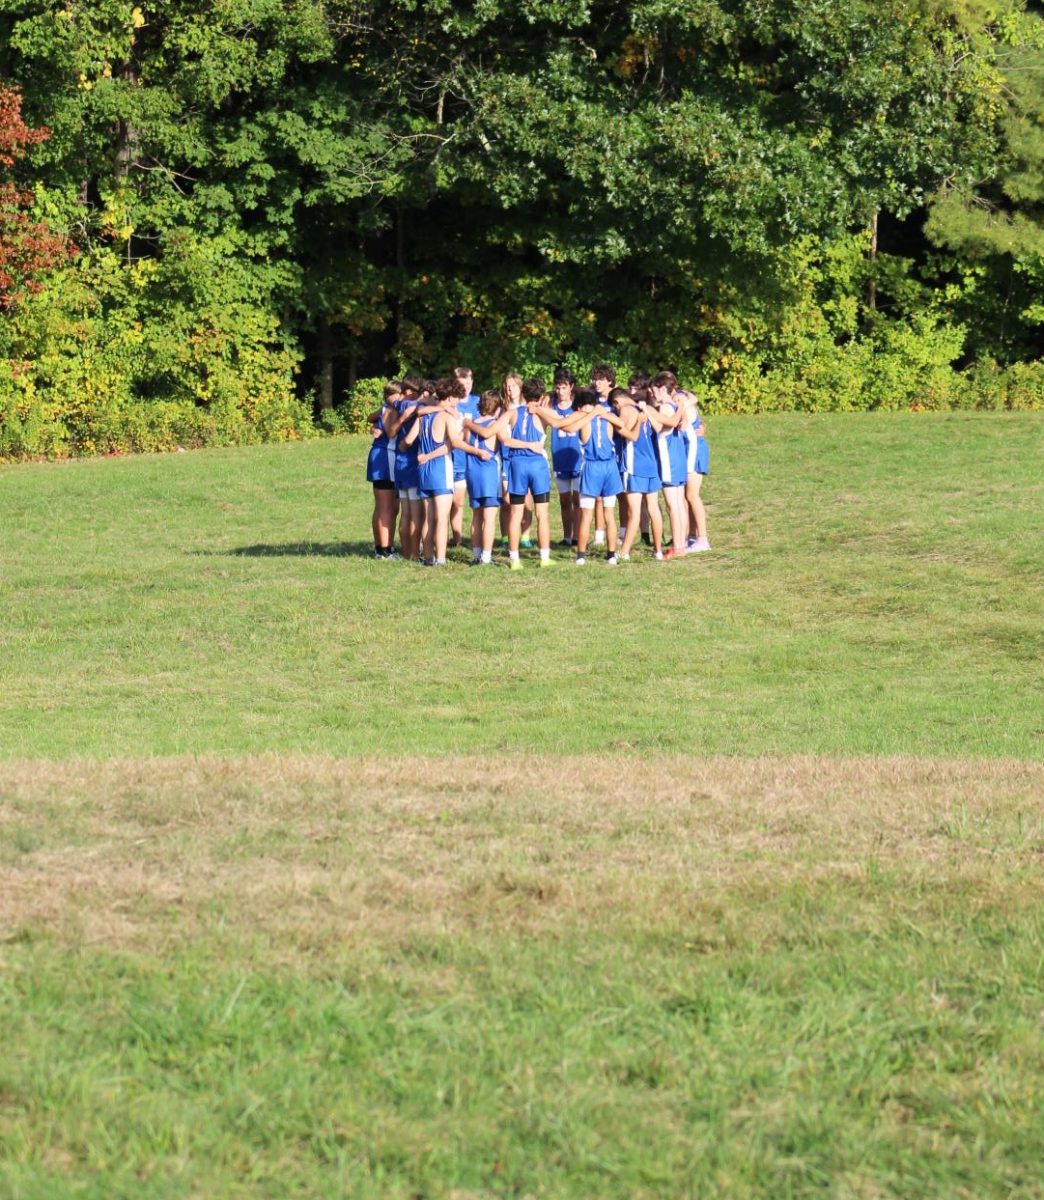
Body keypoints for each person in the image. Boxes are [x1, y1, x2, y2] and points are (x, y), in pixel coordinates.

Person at [408, 377, 492, 566]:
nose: (458, 402)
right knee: (442, 517)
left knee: (428, 517)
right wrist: (477, 451)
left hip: (423, 470)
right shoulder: (445, 417)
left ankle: (428, 557)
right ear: (451, 396)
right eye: (456, 398)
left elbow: (409, 440)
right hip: (440, 468)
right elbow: (454, 443)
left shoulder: (423, 417)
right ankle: (441, 559)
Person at [554, 388, 623, 566]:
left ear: (579, 407)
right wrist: (600, 413)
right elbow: (621, 424)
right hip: (610, 467)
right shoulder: (605, 415)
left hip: (592, 467)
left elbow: (567, 427)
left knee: (586, 514)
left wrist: (587, 415)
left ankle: (581, 555)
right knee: (609, 513)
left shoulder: (583, 418)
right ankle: (611, 554)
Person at [498, 376, 555, 569]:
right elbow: (560, 424)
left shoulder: (512, 413)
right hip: (537, 466)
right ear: (540, 396)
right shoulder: (543, 413)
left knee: (515, 513)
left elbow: (501, 436)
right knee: (542, 514)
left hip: (517, 465)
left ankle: (514, 560)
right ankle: (545, 558)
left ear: (523, 393)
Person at [609, 386, 664, 561]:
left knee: (634, 512)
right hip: (651, 464)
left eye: (615, 407)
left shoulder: (625, 409)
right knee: (653, 509)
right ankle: (658, 551)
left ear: (617, 402)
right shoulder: (643, 408)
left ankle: (624, 552)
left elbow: (627, 432)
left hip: (634, 465)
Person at [463, 389, 511, 564]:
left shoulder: (470, 424)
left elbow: (463, 441)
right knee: (489, 518)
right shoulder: (495, 425)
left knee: (476, 516)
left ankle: (476, 555)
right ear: (497, 408)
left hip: (471, 472)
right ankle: (486, 557)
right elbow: (505, 441)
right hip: (489, 472)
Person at [647, 371, 690, 557]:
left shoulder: (666, 408)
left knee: (672, 504)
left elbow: (662, 427)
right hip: (678, 456)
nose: (652, 392)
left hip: (668, 458)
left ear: (662, 388)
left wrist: (648, 412)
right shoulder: (673, 404)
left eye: (655, 389)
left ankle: (678, 547)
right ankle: (681, 544)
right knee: (679, 503)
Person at [364, 380, 402, 558]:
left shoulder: (385, 409)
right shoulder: (391, 409)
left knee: (392, 507)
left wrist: (374, 423)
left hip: (388, 458)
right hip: (385, 458)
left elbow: (370, 417)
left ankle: (387, 545)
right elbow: (391, 432)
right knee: (385, 506)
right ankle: (383, 550)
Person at [677, 384, 711, 552]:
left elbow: (682, 423)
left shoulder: (681, 399)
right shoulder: (681, 399)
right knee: (685, 496)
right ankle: (689, 536)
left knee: (692, 495)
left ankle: (702, 538)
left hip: (694, 451)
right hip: (686, 451)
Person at [548, 368, 581, 546]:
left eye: (564, 387)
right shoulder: (551, 405)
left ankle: (577, 536)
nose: (561, 391)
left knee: (577, 499)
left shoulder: (578, 404)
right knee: (564, 501)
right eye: (558, 388)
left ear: (571, 387)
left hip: (576, 457)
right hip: (559, 458)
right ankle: (567, 536)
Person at [450, 366, 481, 548]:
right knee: (456, 502)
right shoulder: (450, 403)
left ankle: (477, 540)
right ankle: (457, 538)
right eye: (462, 384)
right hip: (456, 457)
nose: (466, 387)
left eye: (469, 383)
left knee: (476, 501)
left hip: (475, 459)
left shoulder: (478, 402)